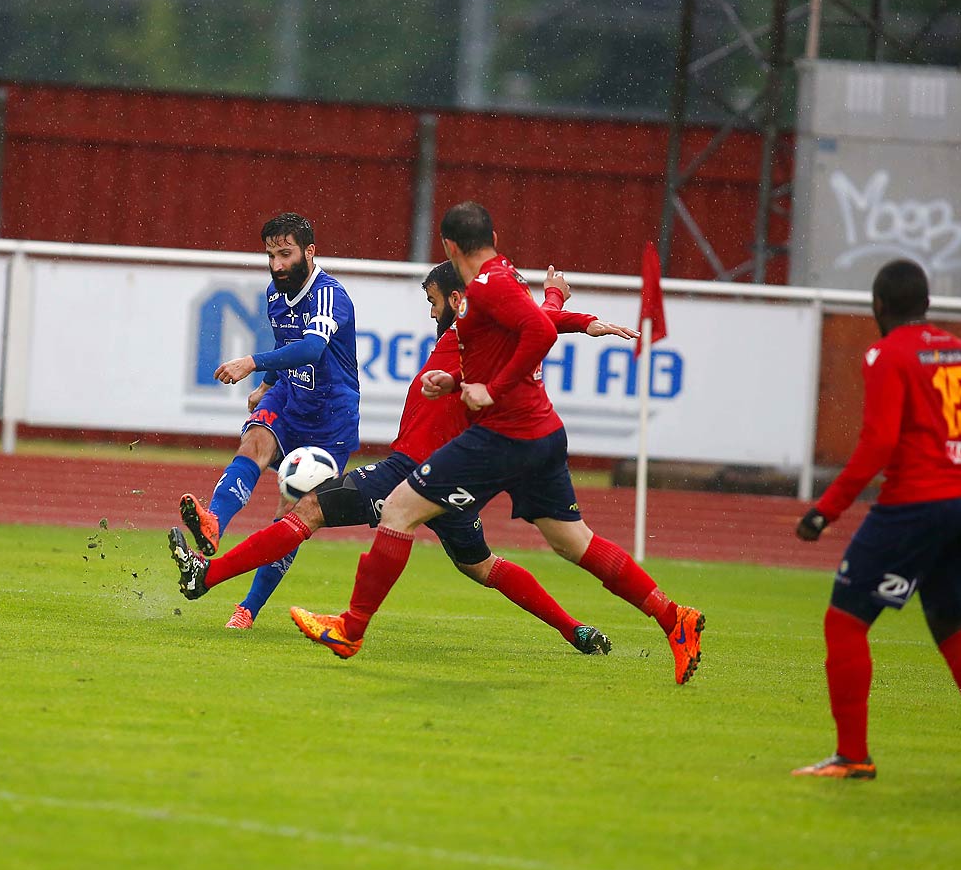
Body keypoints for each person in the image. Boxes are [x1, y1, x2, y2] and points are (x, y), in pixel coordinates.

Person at [290, 202, 706, 683]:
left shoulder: (488, 284)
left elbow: (537, 331)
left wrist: (494, 389)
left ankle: (350, 628)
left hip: (503, 435)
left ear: (449, 246)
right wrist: (458, 379)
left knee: (400, 511)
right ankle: (674, 618)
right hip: (541, 434)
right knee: (574, 542)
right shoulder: (499, 276)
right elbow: (521, 326)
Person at [169, 260, 635, 655]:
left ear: (457, 300)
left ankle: (206, 576)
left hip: (414, 471)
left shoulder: (470, 338)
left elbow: (533, 320)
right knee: (482, 566)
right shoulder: (493, 341)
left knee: (307, 508)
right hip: (453, 479)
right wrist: (572, 314)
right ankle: (575, 629)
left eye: (433, 301)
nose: (431, 311)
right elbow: (536, 321)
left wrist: (560, 305)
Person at [790, 258, 961, 786]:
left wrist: (826, 509)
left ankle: (853, 756)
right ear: (927, 305)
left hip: (915, 502)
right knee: (951, 625)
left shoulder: (886, 354)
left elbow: (879, 443)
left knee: (845, 620)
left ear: (877, 306)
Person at [176, 212, 360, 629]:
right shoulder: (275, 294)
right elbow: (286, 344)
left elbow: (312, 349)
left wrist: (252, 364)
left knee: (291, 515)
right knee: (255, 442)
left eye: (286, 254)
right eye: (270, 255)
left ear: (310, 252)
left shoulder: (330, 295)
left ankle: (248, 608)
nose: (277, 265)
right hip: (290, 399)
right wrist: (269, 383)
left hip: (331, 421)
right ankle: (213, 523)